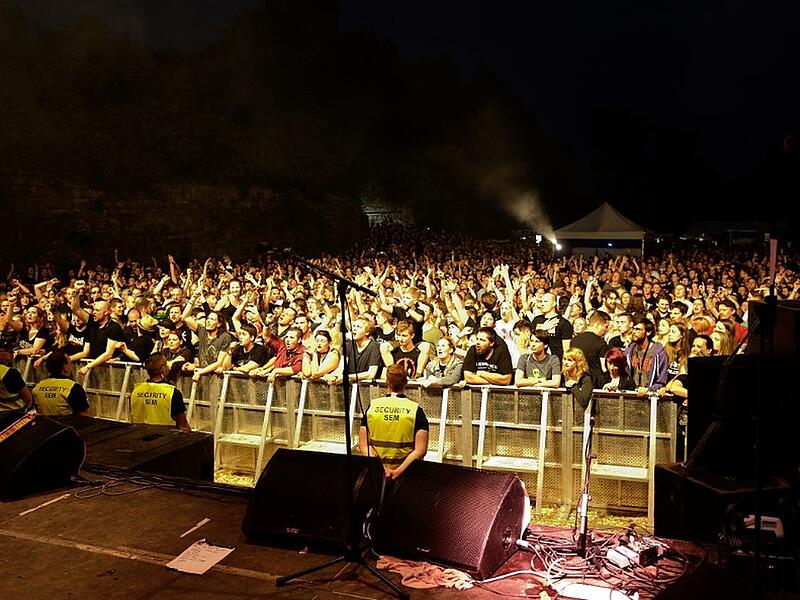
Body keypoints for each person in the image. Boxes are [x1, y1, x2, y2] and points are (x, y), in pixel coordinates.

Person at [359, 364, 428, 480]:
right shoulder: (416, 410)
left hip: (376, 474)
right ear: (406, 382)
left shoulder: (373, 406)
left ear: (387, 382)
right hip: (406, 475)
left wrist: (380, 469)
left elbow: (363, 444)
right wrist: (396, 472)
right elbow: (420, 450)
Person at [129, 353, 190, 430]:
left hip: (138, 435)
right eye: (166, 364)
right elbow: (183, 425)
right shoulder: (172, 392)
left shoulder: (136, 391)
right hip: (165, 435)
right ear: (163, 369)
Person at [31, 350, 90, 416]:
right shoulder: (74, 388)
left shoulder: (36, 388)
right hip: (67, 422)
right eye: (69, 362)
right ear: (65, 367)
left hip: (43, 422)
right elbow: (84, 416)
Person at [624, 316, 669, 396]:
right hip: (632, 394)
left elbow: (662, 381)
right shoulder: (629, 351)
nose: (634, 332)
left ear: (648, 332)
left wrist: (649, 389)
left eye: (638, 329)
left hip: (650, 396)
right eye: (633, 329)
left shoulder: (659, 353)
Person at [569, 310, 610, 388]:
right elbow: (604, 367)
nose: (607, 330)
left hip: (578, 380)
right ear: (597, 325)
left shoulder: (574, 340)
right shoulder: (601, 343)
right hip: (596, 383)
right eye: (606, 327)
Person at [0, 347, 32, 413]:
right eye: (8, 350)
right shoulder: (9, 373)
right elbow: (28, 399)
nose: (12, 353)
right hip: (13, 412)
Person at [561, 347, 594, 412]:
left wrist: (573, 386)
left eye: (570, 360)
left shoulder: (586, 378)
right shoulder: (562, 376)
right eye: (564, 359)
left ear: (578, 362)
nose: (565, 363)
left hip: (581, 414)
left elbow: (584, 402)